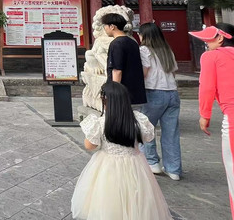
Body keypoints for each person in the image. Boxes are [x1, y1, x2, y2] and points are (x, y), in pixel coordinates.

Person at [71, 81, 172, 220]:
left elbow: (89, 145)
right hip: (136, 164)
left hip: (108, 165)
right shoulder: (138, 120)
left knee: (109, 198)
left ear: (105, 101)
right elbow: (148, 137)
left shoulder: (101, 122)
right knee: (137, 198)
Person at [190, 22, 234, 219]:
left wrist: (204, 115)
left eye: (208, 39)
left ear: (220, 38)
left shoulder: (211, 56)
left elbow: (206, 87)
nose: (206, 44)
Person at [138, 22, 182, 180]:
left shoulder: (144, 50)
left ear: (144, 35)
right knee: (171, 133)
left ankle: (152, 162)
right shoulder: (167, 50)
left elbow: (144, 73)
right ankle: (174, 169)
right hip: (172, 93)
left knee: (146, 129)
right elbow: (173, 73)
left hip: (153, 92)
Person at [102, 12, 147, 107]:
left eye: (105, 26)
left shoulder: (116, 44)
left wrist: (114, 93)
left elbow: (117, 70)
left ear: (112, 26)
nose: (104, 28)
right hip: (135, 92)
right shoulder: (133, 42)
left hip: (122, 95)